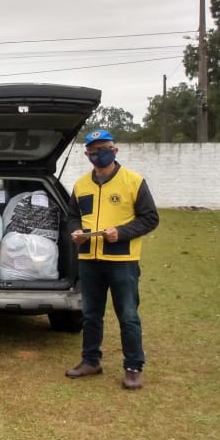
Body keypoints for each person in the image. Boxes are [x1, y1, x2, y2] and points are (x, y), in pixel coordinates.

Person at [65, 129, 159, 390]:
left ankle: (133, 367)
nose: (98, 154)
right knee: (91, 314)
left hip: (122, 260)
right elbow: (72, 215)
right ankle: (90, 361)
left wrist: (122, 233)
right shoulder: (81, 184)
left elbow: (150, 218)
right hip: (89, 258)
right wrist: (76, 231)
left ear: (115, 150)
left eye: (103, 149)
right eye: (93, 151)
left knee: (128, 315)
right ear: (87, 154)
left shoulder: (134, 182)